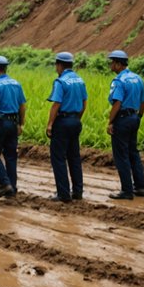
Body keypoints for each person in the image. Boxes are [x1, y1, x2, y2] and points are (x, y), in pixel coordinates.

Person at [46, 52, 87, 202]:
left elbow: (56, 104)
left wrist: (50, 124)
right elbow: (84, 103)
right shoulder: (80, 80)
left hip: (62, 122)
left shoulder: (61, 81)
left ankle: (63, 193)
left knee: (59, 158)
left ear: (59, 65)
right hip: (75, 121)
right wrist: (77, 118)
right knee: (74, 157)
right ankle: (78, 191)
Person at [106, 50, 144, 199]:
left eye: (112, 62)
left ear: (118, 64)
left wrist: (110, 121)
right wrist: (138, 117)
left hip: (122, 119)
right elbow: (143, 102)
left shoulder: (119, 81)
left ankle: (127, 190)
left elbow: (117, 102)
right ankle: (140, 187)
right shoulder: (137, 79)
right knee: (133, 153)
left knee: (121, 155)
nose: (111, 65)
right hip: (134, 117)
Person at [0, 55, 27, 198]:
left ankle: (4, 183)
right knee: (11, 156)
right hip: (13, 124)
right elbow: (22, 106)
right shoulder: (16, 84)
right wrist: (21, 123)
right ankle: (12, 189)